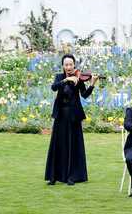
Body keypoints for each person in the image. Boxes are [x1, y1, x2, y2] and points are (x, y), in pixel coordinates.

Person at [45, 54, 98, 186]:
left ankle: (71, 176)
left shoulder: (79, 78)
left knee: (73, 145)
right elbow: (54, 87)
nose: (68, 67)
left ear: (74, 65)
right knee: (58, 144)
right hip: (60, 115)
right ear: (63, 66)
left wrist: (92, 84)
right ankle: (54, 176)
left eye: (71, 64)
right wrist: (66, 79)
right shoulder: (59, 77)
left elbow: (84, 95)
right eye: (66, 65)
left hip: (74, 116)